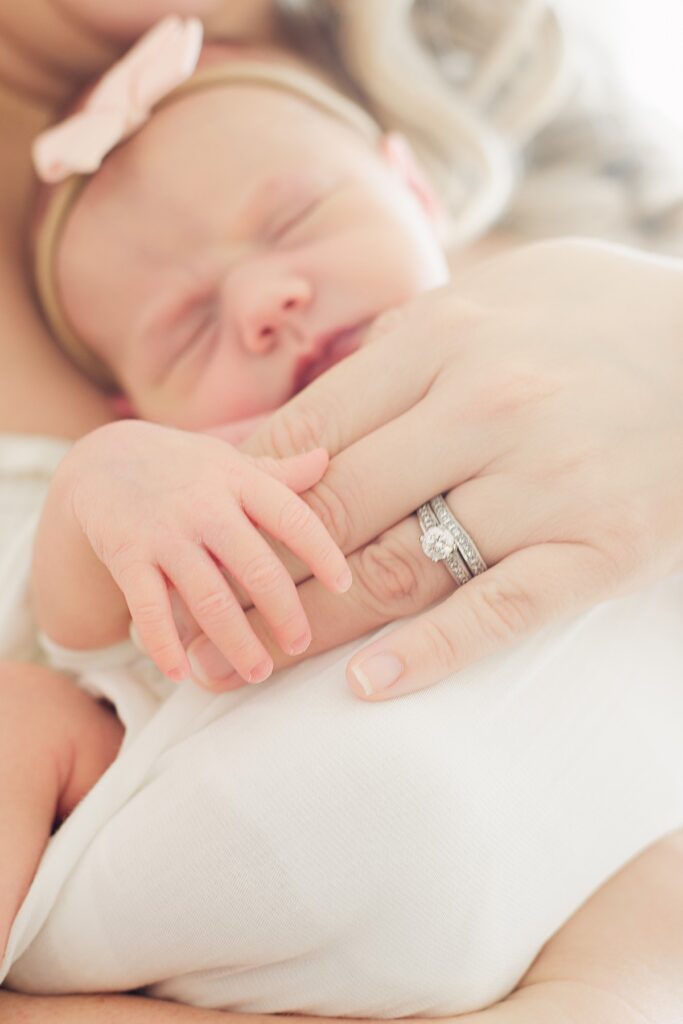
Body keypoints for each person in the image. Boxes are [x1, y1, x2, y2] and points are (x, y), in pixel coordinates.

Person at [0, 2, 682, 1021]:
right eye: (186, 331)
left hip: (567, 894)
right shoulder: (199, 480)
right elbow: (73, 629)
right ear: (135, 404)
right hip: (191, 880)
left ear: (416, 187)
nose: (264, 297)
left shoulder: (538, 232)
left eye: (291, 223)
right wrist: (111, 479)